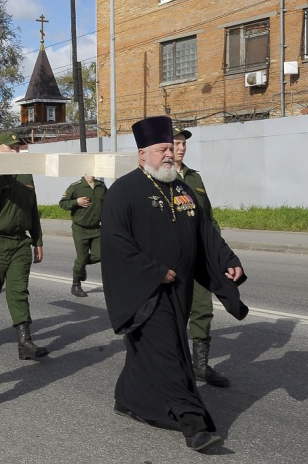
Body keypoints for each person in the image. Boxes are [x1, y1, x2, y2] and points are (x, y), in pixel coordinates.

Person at [100, 115, 248, 452]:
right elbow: (114, 242)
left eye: (172, 148)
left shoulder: (181, 188)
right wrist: (153, 270)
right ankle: (193, 424)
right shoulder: (124, 191)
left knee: (150, 351)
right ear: (143, 155)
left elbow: (205, 232)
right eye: (163, 149)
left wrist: (228, 261)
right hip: (147, 290)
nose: (170, 154)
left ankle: (129, 398)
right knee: (169, 353)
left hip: (179, 289)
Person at [0, 132, 48, 360]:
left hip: (19, 241)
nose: (17, 151)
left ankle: (25, 342)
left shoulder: (26, 173)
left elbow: (32, 208)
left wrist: (37, 239)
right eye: (12, 148)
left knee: (19, 291)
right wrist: (1, 176)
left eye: (19, 148)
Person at [172, 125, 230, 388]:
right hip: (171, 259)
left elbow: (208, 219)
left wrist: (219, 252)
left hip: (198, 257)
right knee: (172, 312)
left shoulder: (194, 178)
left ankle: (200, 365)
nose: (181, 147)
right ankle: (171, 365)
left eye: (184, 143)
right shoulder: (156, 177)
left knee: (203, 309)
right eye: (176, 142)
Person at [59, 174, 107, 297]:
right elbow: (63, 203)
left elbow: (109, 203)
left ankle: (81, 265)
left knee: (100, 255)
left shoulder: (101, 186)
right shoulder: (76, 187)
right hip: (80, 229)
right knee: (81, 257)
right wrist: (76, 202)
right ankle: (76, 284)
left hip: (96, 228)